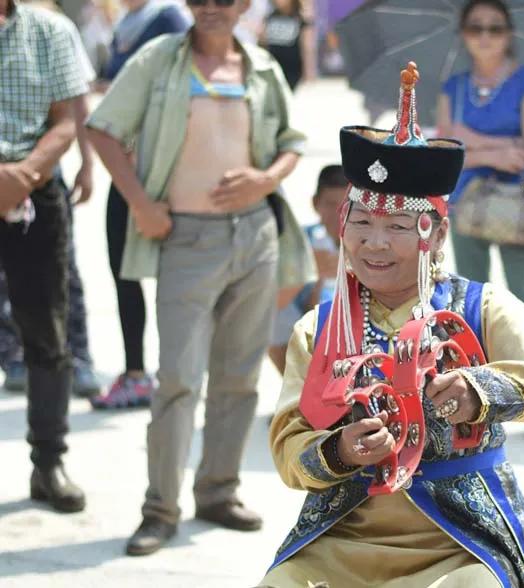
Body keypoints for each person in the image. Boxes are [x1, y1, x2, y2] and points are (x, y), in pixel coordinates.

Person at [259, 63, 524, 588]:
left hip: (460, 540)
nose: (374, 243)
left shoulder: (482, 308)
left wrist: (481, 389)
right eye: (362, 224)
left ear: (436, 234)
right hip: (345, 535)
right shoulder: (318, 327)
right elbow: (287, 450)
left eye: (396, 226)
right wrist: (341, 450)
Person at [86, 0, 310, 554]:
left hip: (255, 235)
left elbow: (291, 142)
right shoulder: (160, 59)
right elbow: (103, 129)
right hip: (184, 237)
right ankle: (160, 508)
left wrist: (264, 179)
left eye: (225, 0)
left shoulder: (260, 66)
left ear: (242, 7)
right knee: (179, 380)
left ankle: (218, 490)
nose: (213, 8)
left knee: (238, 376)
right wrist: (140, 204)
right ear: (189, 4)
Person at [437, 0, 524, 438]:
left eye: (495, 28)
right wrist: (495, 150)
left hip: (512, 207)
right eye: (475, 27)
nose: (485, 36)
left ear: (509, 33)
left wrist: (472, 143)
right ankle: (476, 401)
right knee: (468, 304)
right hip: (465, 205)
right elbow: (446, 147)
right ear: (463, 33)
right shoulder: (454, 86)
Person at [0, 0, 91, 513]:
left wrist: (19, 177)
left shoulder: (49, 30)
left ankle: (49, 462)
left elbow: (65, 120)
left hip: (35, 194)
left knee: (47, 333)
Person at [87, 0, 191, 409]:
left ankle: (177, 375)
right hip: (126, 169)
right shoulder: (126, 22)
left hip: (167, 169)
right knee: (123, 270)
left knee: (179, 279)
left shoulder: (171, 17)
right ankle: (136, 372)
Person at [268, 164, 347, 375]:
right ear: (315, 203)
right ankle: (297, 388)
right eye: (330, 204)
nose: (338, 214)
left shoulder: (368, 241)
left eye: (345, 205)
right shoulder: (300, 242)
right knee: (273, 313)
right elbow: (277, 302)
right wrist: (312, 271)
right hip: (311, 321)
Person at [260, 0, 316, 91]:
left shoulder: (300, 19)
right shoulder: (270, 17)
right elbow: (262, 43)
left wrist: (308, 71)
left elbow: (307, 47)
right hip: (273, 66)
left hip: (292, 68)